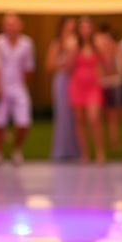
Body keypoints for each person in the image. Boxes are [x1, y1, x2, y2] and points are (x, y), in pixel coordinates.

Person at [0, 13, 35, 164]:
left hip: (18, 87)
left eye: (14, 23)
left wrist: (22, 85)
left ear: (20, 25)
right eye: (8, 24)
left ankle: (17, 150)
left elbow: (28, 68)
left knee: (23, 121)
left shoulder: (27, 44)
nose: (11, 27)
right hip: (1, 86)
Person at [68, 16, 106, 163]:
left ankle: (99, 152)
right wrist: (72, 52)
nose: (85, 30)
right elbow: (69, 68)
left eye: (87, 26)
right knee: (79, 120)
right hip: (77, 85)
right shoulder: (74, 46)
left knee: (94, 118)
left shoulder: (98, 45)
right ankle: (84, 153)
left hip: (93, 86)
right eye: (82, 27)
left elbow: (106, 63)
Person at [48, 17, 81, 161]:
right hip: (62, 80)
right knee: (63, 115)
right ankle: (62, 150)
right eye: (68, 26)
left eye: (73, 27)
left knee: (76, 116)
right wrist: (62, 64)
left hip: (77, 80)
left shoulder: (78, 44)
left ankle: (76, 150)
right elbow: (49, 66)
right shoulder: (56, 44)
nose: (70, 29)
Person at [96, 23, 122, 151]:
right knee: (101, 116)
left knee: (114, 115)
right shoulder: (99, 56)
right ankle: (103, 142)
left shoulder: (117, 53)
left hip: (114, 85)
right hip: (103, 86)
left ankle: (114, 141)